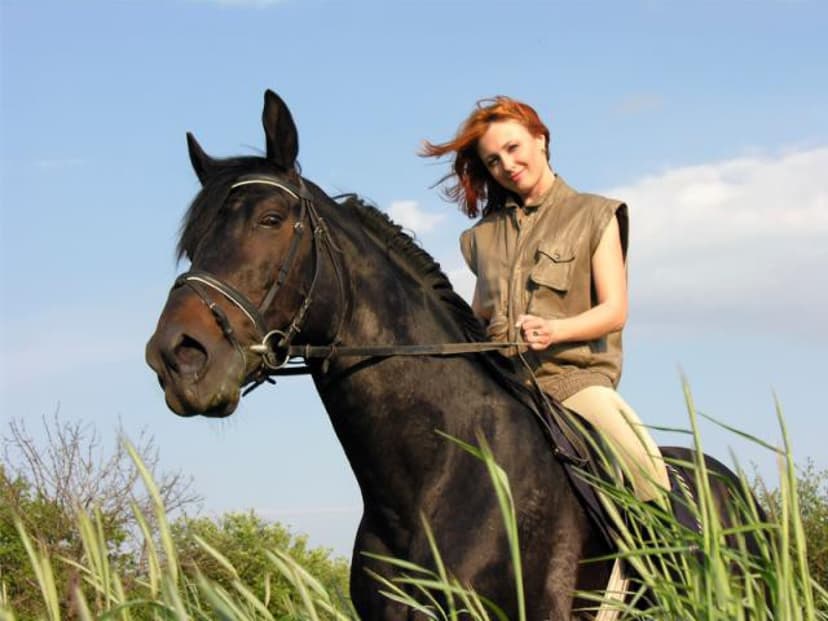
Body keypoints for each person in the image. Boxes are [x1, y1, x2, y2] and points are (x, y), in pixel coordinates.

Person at [421, 96, 670, 502]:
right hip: (502, 388)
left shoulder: (595, 214)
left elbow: (614, 312)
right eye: (493, 161)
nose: (506, 165)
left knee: (648, 473)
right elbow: (478, 318)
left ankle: (666, 563)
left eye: (512, 148)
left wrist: (555, 330)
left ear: (540, 140)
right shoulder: (480, 238)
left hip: (574, 383)